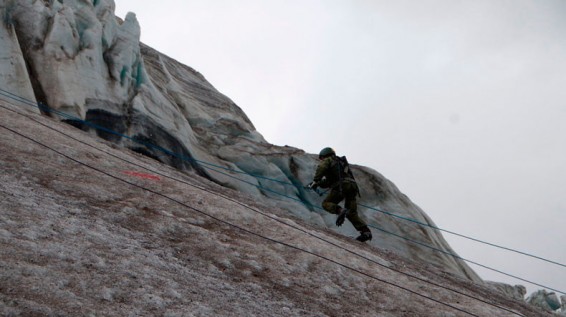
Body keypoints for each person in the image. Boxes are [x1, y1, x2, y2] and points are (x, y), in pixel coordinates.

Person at [307, 147, 372, 242]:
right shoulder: (340, 163)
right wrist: (319, 184)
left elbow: (322, 167)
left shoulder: (329, 160)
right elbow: (329, 182)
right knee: (351, 212)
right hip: (352, 186)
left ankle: (339, 210)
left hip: (341, 186)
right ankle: (366, 232)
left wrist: (315, 180)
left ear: (324, 155)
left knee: (326, 203)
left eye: (321, 158)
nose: (321, 160)